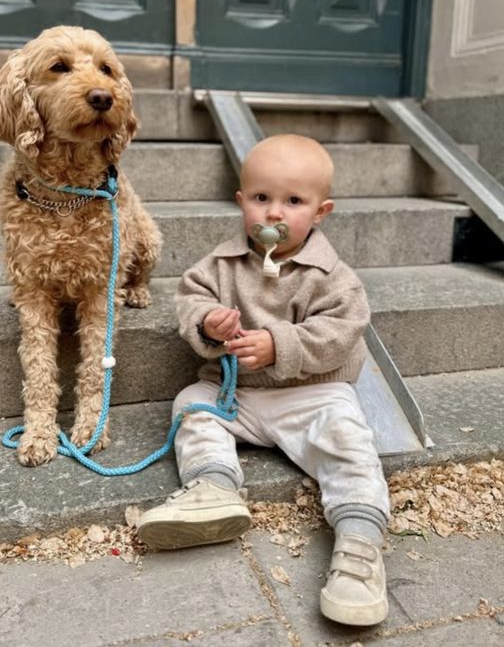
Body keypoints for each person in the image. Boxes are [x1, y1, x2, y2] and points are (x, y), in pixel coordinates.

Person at [137, 134, 390, 627]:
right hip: (238, 396)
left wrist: (281, 345)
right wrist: (208, 322)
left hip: (311, 394)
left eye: (293, 201)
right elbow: (190, 297)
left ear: (320, 212)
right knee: (193, 402)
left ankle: (359, 542)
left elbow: (342, 331)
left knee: (348, 438)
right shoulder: (219, 264)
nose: (274, 213)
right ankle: (213, 486)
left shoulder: (332, 276)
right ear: (241, 202)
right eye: (261, 198)